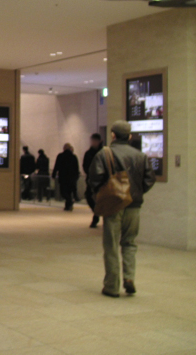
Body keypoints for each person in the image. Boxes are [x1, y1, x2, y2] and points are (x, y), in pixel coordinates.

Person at [89, 120, 156, 298]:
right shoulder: (141, 155)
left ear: (113, 135)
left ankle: (112, 286)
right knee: (130, 243)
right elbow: (149, 179)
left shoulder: (104, 154)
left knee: (111, 245)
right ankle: (129, 277)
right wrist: (135, 193)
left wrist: (102, 196)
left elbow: (94, 179)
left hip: (113, 205)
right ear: (130, 136)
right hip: (134, 205)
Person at [83, 133, 103, 228]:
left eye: (95, 141)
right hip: (91, 179)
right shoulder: (88, 153)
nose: (93, 143)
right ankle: (96, 213)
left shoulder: (103, 153)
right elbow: (85, 165)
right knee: (89, 197)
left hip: (102, 180)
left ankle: (97, 216)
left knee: (102, 198)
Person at [52, 143, 80, 211]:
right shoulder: (74, 157)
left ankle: (69, 202)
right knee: (69, 192)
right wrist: (76, 177)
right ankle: (68, 206)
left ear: (64, 148)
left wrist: (53, 174)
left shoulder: (60, 156)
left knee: (63, 192)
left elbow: (56, 166)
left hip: (63, 177)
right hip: (72, 178)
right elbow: (76, 168)